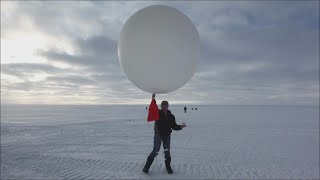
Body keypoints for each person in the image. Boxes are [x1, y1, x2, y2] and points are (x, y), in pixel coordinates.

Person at [142, 93, 187, 174]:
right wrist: (153, 98)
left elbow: (174, 126)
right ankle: (147, 166)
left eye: (166, 105)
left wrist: (181, 127)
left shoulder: (171, 116)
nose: (164, 106)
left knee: (167, 151)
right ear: (161, 106)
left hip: (167, 135)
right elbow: (152, 108)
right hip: (158, 135)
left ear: (168, 106)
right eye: (163, 105)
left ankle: (168, 167)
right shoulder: (157, 113)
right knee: (155, 151)